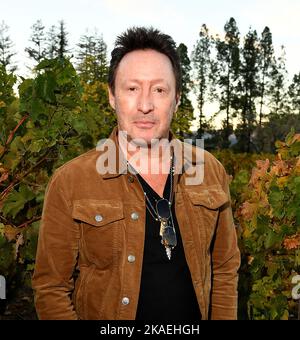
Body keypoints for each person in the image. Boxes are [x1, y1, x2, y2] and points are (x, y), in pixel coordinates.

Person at [32, 26, 240, 320]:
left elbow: (224, 267)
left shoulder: (207, 170)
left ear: (177, 99)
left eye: (159, 89)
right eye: (132, 89)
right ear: (112, 97)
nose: (145, 105)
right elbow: (51, 287)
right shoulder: (71, 182)